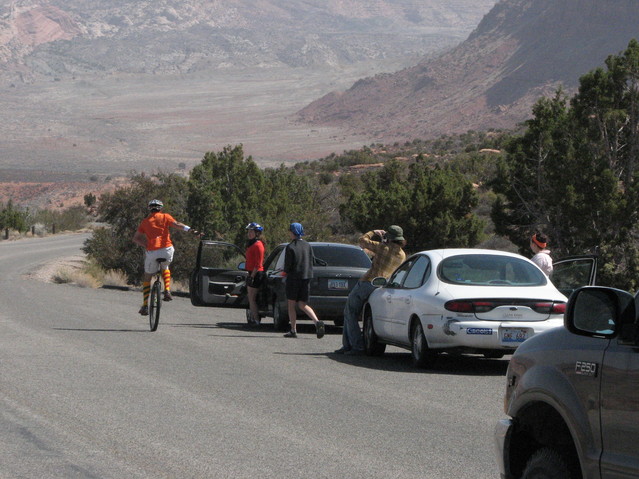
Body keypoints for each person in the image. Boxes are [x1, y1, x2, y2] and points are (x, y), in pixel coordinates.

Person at [335, 225, 407, 355]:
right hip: (381, 286)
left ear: (389, 237)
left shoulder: (382, 247)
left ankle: (355, 346)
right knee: (353, 313)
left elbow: (362, 240)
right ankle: (348, 345)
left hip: (367, 282)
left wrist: (374, 232)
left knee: (350, 312)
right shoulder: (402, 255)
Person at [132, 199, 200, 315]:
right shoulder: (165, 217)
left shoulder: (145, 222)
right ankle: (167, 290)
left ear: (150, 209)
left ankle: (144, 306)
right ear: (161, 208)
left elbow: (136, 238)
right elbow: (177, 225)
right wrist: (190, 230)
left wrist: (146, 245)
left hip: (152, 251)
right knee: (165, 267)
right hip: (167, 250)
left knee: (147, 277)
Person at [282, 222, 325, 339]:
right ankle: (317, 322)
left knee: (291, 305)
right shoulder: (307, 245)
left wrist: (284, 272)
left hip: (293, 279)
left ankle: (293, 329)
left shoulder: (290, 247)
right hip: (306, 278)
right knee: (302, 304)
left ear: (292, 232)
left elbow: (288, 266)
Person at [245, 222, 265, 326]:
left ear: (257, 233)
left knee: (252, 298)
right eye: (249, 231)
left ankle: (256, 320)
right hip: (251, 273)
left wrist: (252, 276)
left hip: (256, 274)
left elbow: (258, 264)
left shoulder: (258, 245)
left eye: (252, 231)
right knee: (250, 298)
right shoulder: (251, 244)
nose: (249, 233)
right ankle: (253, 319)